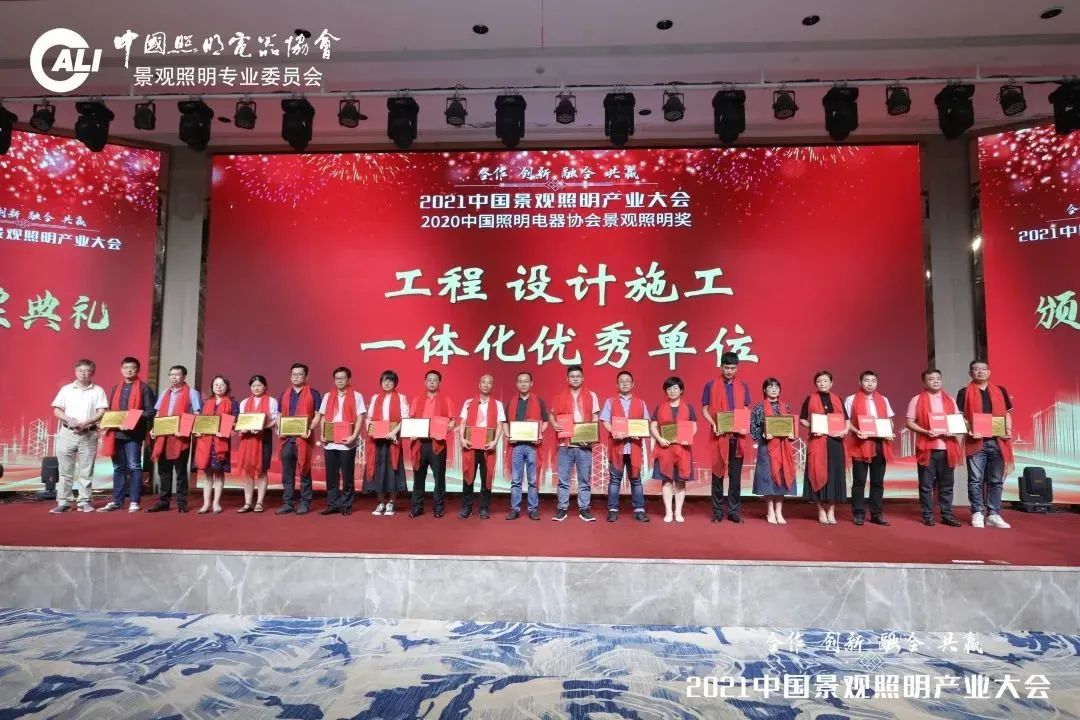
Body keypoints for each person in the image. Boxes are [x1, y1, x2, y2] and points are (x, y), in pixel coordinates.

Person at [957, 360, 1014, 529]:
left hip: (998, 442)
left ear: (989, 372)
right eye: (976, 369)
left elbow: (1007, 414)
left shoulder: (1000, 390)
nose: (980, 372)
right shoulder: (964, 392)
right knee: (975, 480)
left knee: (996, 480)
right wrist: (970, 430)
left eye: (983, 369)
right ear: (970, 373)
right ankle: (977, 512)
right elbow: (961, 417)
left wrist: (1008, 429)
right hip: (976, 442)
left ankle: (994, 514)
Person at [49, 358, 108, 513]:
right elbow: (56, 410)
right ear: (75, 372)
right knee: (65, 471)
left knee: (86, 471)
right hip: (67, 433)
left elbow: (102, 411)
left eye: (87, 371)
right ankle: (64, 502)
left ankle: (84, 501)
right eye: (80, 371)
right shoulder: (66, 389)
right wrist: (69, 419)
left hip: (88, 434)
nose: (83, 374)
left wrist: (86, 422)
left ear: (92, 373)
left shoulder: (98, 391)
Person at [906, 368, 963, 527]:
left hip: (948, 448)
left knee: (947, 485)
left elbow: (956, 421)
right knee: (926, 485)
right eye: (931, 379)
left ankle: (947, 515)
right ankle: (927, 515)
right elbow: (909, 422)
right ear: (924, 382)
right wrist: (925, 431)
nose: (935, 381)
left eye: (938, 378)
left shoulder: (950, 400)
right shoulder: (916, 399)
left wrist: (954, 429)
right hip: (927, 448)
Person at [98, 356, 156, 513]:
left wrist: (131, 419)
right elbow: (112, 412)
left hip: (133, 434)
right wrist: (107, 423)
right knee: (118, 468)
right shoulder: (115, 388)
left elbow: (150, 412)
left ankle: (134, 501)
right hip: (116, 434)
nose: (129, 370)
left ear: (138, 370)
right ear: (121, 370)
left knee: (134, 466)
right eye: (126, 367)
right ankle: (117, 501)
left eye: (132, 367)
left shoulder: (144, 388)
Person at [701, 351, 753, 524]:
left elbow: (745, 409)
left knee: (735, 477)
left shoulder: (743, 386)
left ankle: (733, 511)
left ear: (737, 368)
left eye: (733, 368)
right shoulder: (711, 385)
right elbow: (705, 409)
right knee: (717, 475)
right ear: (721, 366)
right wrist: (714, 424)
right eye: (726, 367)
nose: (730, 371)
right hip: (719, 436)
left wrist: (743, 424)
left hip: (737, 438)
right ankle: (717, 512)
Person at [844, 370, 896, 526]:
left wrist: (889, 432)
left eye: (873, 381)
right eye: (867, 380)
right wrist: (857, 431)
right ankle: (858, 513)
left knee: (877, 481)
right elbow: (846, 421)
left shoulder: (884, 399)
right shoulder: (851, 399)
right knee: (859, 481)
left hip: (880, 444)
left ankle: (876, 514)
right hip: (860, 444)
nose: (870, 383)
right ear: (860, 383)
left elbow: (889, 421)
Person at [549, 365, 600, 522]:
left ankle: (584, 509)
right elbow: (551, 415)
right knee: (563, 479)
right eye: (572, 376)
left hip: (584, 444)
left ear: (582, 378)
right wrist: (554, 424)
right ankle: (562, 509)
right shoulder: (559, 397)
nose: (575, 378)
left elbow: (595, 417)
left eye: (578, 376)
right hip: (565, 444)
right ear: (567, 379)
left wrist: (590, 435)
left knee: (584, 480)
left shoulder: (592, 395)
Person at [148, 365, 202, 513]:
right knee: (164, 471)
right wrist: (154, 428)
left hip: (180, 437)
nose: (174, 377)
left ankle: (182, 503)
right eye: (171, 374)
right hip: (163, 437)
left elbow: (196, 414)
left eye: (177, 374)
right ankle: (163, 502)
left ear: (184, 376)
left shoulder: (192, 393)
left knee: (180, 472)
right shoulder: (165, 392)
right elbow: (158, 413)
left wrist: (185, 430)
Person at [313, 366, 366, 516]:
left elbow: (360, 417)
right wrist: (323, 434)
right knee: (331, 476)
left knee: (347, 476)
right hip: (330, 442)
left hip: (347, 441)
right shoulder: (327, 396)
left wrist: (354, 436)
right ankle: (332, 504)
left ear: (349, 379)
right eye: (337, 378)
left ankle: (346, 505)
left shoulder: (357, 396)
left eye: (342, 378)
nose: (340, 381)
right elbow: (323, 416)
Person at [599, 370, 650, 523]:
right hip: (617, 446)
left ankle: (639, 510)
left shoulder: (640, 402)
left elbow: (645, 422)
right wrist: (613, 431)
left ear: (633, 384)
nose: (625, 383)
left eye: (627, 381)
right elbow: (605, 421)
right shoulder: (610, 401)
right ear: (617, 384)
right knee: (615, 480)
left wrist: (640, 432)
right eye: (621, 381)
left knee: (636, 479)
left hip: (634, 447)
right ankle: (613, 510)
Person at [800, 371, 849, 525]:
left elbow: (846, 420)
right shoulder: (810, 398)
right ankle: (820, 510)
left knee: (834, 475)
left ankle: (831, 510)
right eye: (819, 381)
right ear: (815, 383)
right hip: (817, 441)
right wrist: (813, 427)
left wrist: (845, 431)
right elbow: (802, 419)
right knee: (816, 472)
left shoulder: (838, 399)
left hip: (835, 442)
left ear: (831, 383)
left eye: (826, 381)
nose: (822, 383)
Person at [408, 370, 455, 518]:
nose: (432, 382)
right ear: (425, 382)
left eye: (435, 379)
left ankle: (438, 507)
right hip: (420, 444)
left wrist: (444, 430)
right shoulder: (417, 399)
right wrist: (411, 431)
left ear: (439, 382)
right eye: (429, 379)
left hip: (437, 445)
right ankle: (417, 507)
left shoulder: (446, 400)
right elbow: (411, 419)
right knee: (418, 477)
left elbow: (452, 422)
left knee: (439, 478)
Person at [458, 373, 507, 519]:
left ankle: (484, 508)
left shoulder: (497, 404)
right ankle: (466, 508)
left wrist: (495, 442)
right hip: (470, 445)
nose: (486, 385)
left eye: (489, 383)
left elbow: (500, 424)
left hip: (488, 446)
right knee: (468, 477)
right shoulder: (468, 403)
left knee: (486, 477)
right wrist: (462, 438)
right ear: (479, 385)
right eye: (484, 382)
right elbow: (463, 422)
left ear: (492, 386)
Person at [650, 376, 697, 523]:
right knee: (666, 482)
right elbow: (653, 426)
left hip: (683, 449)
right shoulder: (660, 407)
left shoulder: (689, 408)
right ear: (665, 391)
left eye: (675, 388)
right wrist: (659, 439)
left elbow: (693, 426)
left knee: (681, 482)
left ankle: (678, 512)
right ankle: (668, 512)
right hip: (665, 448)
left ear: (681, 390)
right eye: (669, 388)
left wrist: (688, 437)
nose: (672, 391)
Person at [750, 378, 797, 523]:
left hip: (783, 447)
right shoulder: (759, 407)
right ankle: (770, 512)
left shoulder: (785, 406)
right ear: (764, 390)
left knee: (781, 478)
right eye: (770, 387)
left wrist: (791, 434)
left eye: (776, 387)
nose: (774, 389)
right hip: (766, 447)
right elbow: (754, 429)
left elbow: (790, 425)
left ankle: (779, 512)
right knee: (768, 479)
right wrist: (763, 434)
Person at [277, 363, 321, 515]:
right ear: (290, 376)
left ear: (306, 376)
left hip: (304, 438)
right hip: (287, 440)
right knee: (287, 474)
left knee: (305, 471)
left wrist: (310, 429)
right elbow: (279, 415)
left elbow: (317, 415)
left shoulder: (314, 393)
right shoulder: (284, 394)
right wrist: (279, 429)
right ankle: (288, 503)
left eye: (300, 374)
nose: (296, 377)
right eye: (293, 374)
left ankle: (305, 502)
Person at [365, 370, 410, 516]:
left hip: (393, 441)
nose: (387, 383)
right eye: (385, 380)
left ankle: (391, 502)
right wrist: (370, 428)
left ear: (395, 383)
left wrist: (393, 432)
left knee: (393, 471)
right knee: (378, 471)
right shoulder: (375, 398)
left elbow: (405, 419)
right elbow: (369, 418)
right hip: (377, 441)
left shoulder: (401, 398)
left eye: (390, 381)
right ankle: (381, 502)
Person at [505, 371, 547, 521]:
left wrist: (540, 433)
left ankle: (533, 509)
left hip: (532, 447)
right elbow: (504, 422)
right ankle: (515, 509)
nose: (523, 384)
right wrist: (508, 434)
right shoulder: (511, 402)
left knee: (532, 480)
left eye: (526, 381)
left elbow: (546, 421)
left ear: (531, 383)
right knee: (516, 480)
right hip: (516, 446)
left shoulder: (539, 401)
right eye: (520, 381)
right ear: (517, 384)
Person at [193, 375, 238, 514]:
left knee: (219, 474)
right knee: (207, 475)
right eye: (216, 384)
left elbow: (236, 422)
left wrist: (225, 430)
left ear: (227, 387)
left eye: (222, 384)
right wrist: (197, 431)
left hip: (221, 443)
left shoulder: (232, 403)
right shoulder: (206, 402)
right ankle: (206, 504)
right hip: (205, 443)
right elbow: (199, 420)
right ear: (212, 387)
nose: (219, 387)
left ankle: (216, 503)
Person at [236, 375, 278, 513]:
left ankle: (259, 502)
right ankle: (248, 502)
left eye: (259, 385)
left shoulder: (272, 401)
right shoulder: (244, 402)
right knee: (248, 470)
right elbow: (242, 421)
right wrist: (243, 428)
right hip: (247, 439)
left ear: (265, 387)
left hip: (263, 437)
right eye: (253, 386)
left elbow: (274, 421)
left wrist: (261, 427)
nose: (256, 388)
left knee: (262, 470)